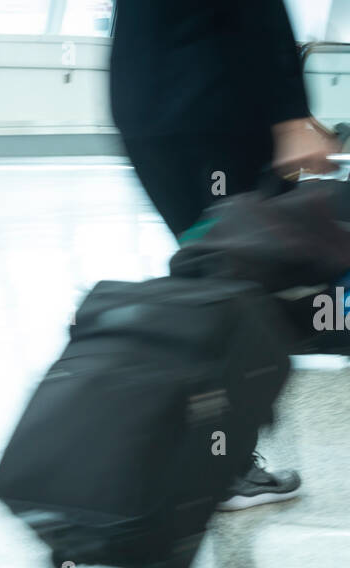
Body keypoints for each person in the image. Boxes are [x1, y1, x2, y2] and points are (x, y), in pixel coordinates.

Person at [109, 0, 336, 511]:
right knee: (236, 290)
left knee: (213, 278)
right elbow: (259, 13)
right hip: (215, 105)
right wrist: (290, 113)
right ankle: (222, 468)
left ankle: (197, 454)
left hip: (145, 105)